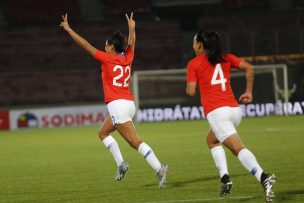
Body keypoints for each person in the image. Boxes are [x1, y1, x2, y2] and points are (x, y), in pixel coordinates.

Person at [59, 13, 168, 188]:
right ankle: (121, 164)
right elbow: (132, 43)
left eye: (106, 44)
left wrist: (69, 29)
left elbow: (85, 45)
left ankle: (159, 168)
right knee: (102, 133)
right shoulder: (127, 58)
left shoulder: (107, 58)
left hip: (117, 106)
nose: (104, 46)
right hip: (129, 104)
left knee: (135, 142)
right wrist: (132, 28)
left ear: (111, 48)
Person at [186, 29, 276, 202]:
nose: (193, 46)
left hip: (217, 113)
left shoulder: (194, 63)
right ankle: (225, 178)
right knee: (211, 140)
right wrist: (248, 92)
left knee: (237, 149)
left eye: (194, 42)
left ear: (199, 45)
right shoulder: (226, 57)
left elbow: (191, 91)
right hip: (234, 111)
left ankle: (264, 178)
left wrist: (192, 83)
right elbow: (249, 68)